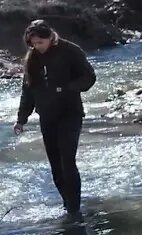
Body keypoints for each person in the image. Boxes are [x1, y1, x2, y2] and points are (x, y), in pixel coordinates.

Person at [13, 19, 97, 219]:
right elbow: (28, 91)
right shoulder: (32, 59)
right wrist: (21, 119)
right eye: (33, 44)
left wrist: (68, 88)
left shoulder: (70, 51)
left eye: (40, 43)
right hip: (47, 117)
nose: (37, 47)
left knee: (68, 161)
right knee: (56, 167)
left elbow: (89, 77)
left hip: (70, 113)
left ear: (50, 37)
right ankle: (68, 205)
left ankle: (75, 209)